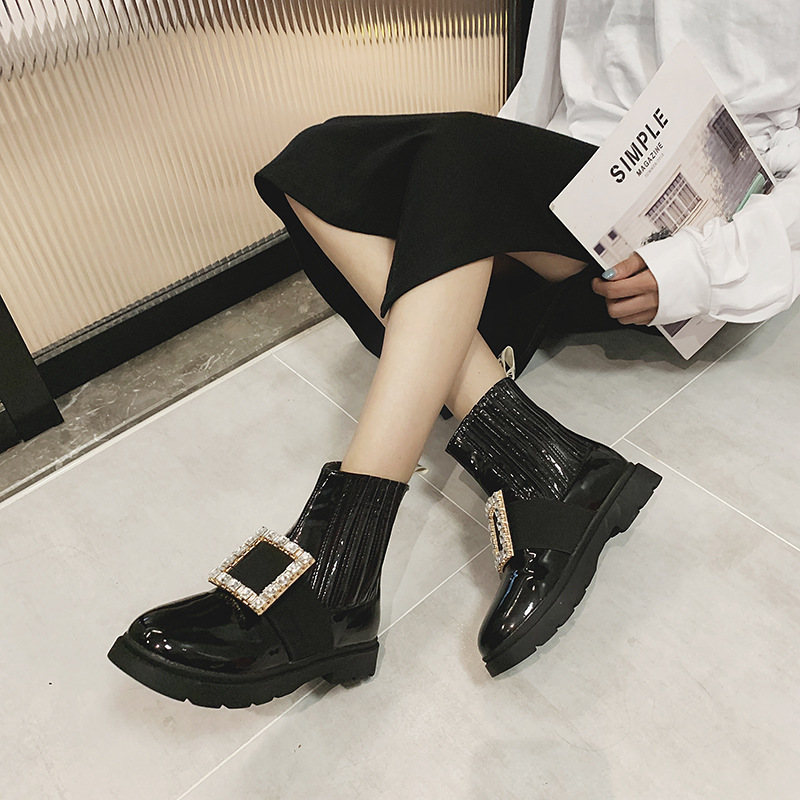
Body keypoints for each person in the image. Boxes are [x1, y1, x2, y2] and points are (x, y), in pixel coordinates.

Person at [107, 0, 800, 708]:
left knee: (462, 157)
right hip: (569, 203)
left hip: (680, 245)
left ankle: (344, 564)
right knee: (314, 163)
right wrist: (464, 214)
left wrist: (696, 271)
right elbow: (546, 91)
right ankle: (545, 462)